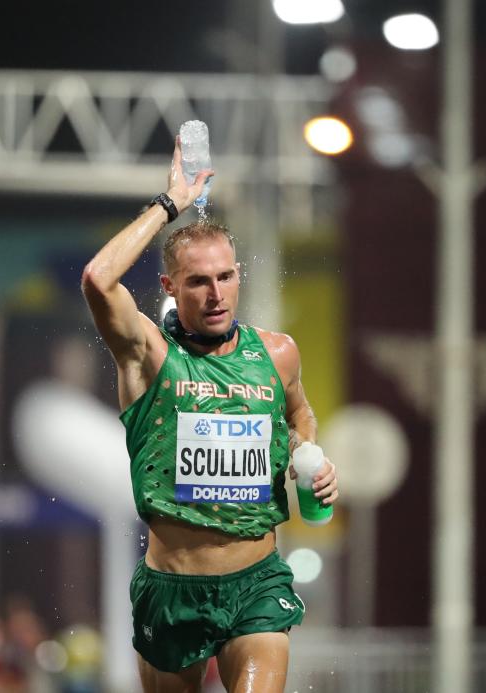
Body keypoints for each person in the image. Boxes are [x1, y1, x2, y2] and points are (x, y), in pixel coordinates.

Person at [80, 137, 338, 693]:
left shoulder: (277, 353)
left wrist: (307, 453)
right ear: (171, 288)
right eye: (198, 281)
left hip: (256, 584)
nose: (217, 293)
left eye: (226, 276)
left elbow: (298, 413)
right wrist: (171, 201)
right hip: (172, 591)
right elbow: (99, 280)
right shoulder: (148, 356)